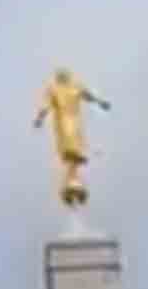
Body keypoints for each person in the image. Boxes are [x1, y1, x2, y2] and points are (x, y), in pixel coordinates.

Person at [32, 68, 111, 206]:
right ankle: (72, 180)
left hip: (75, 123)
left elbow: (87, 95)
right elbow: (46, 105)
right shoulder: (54, 89)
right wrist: (40, 117)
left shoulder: (75, 85)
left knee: (76, 153)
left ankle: (73, 180)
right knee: (70, 152)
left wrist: (101, 102)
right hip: (63, 124)